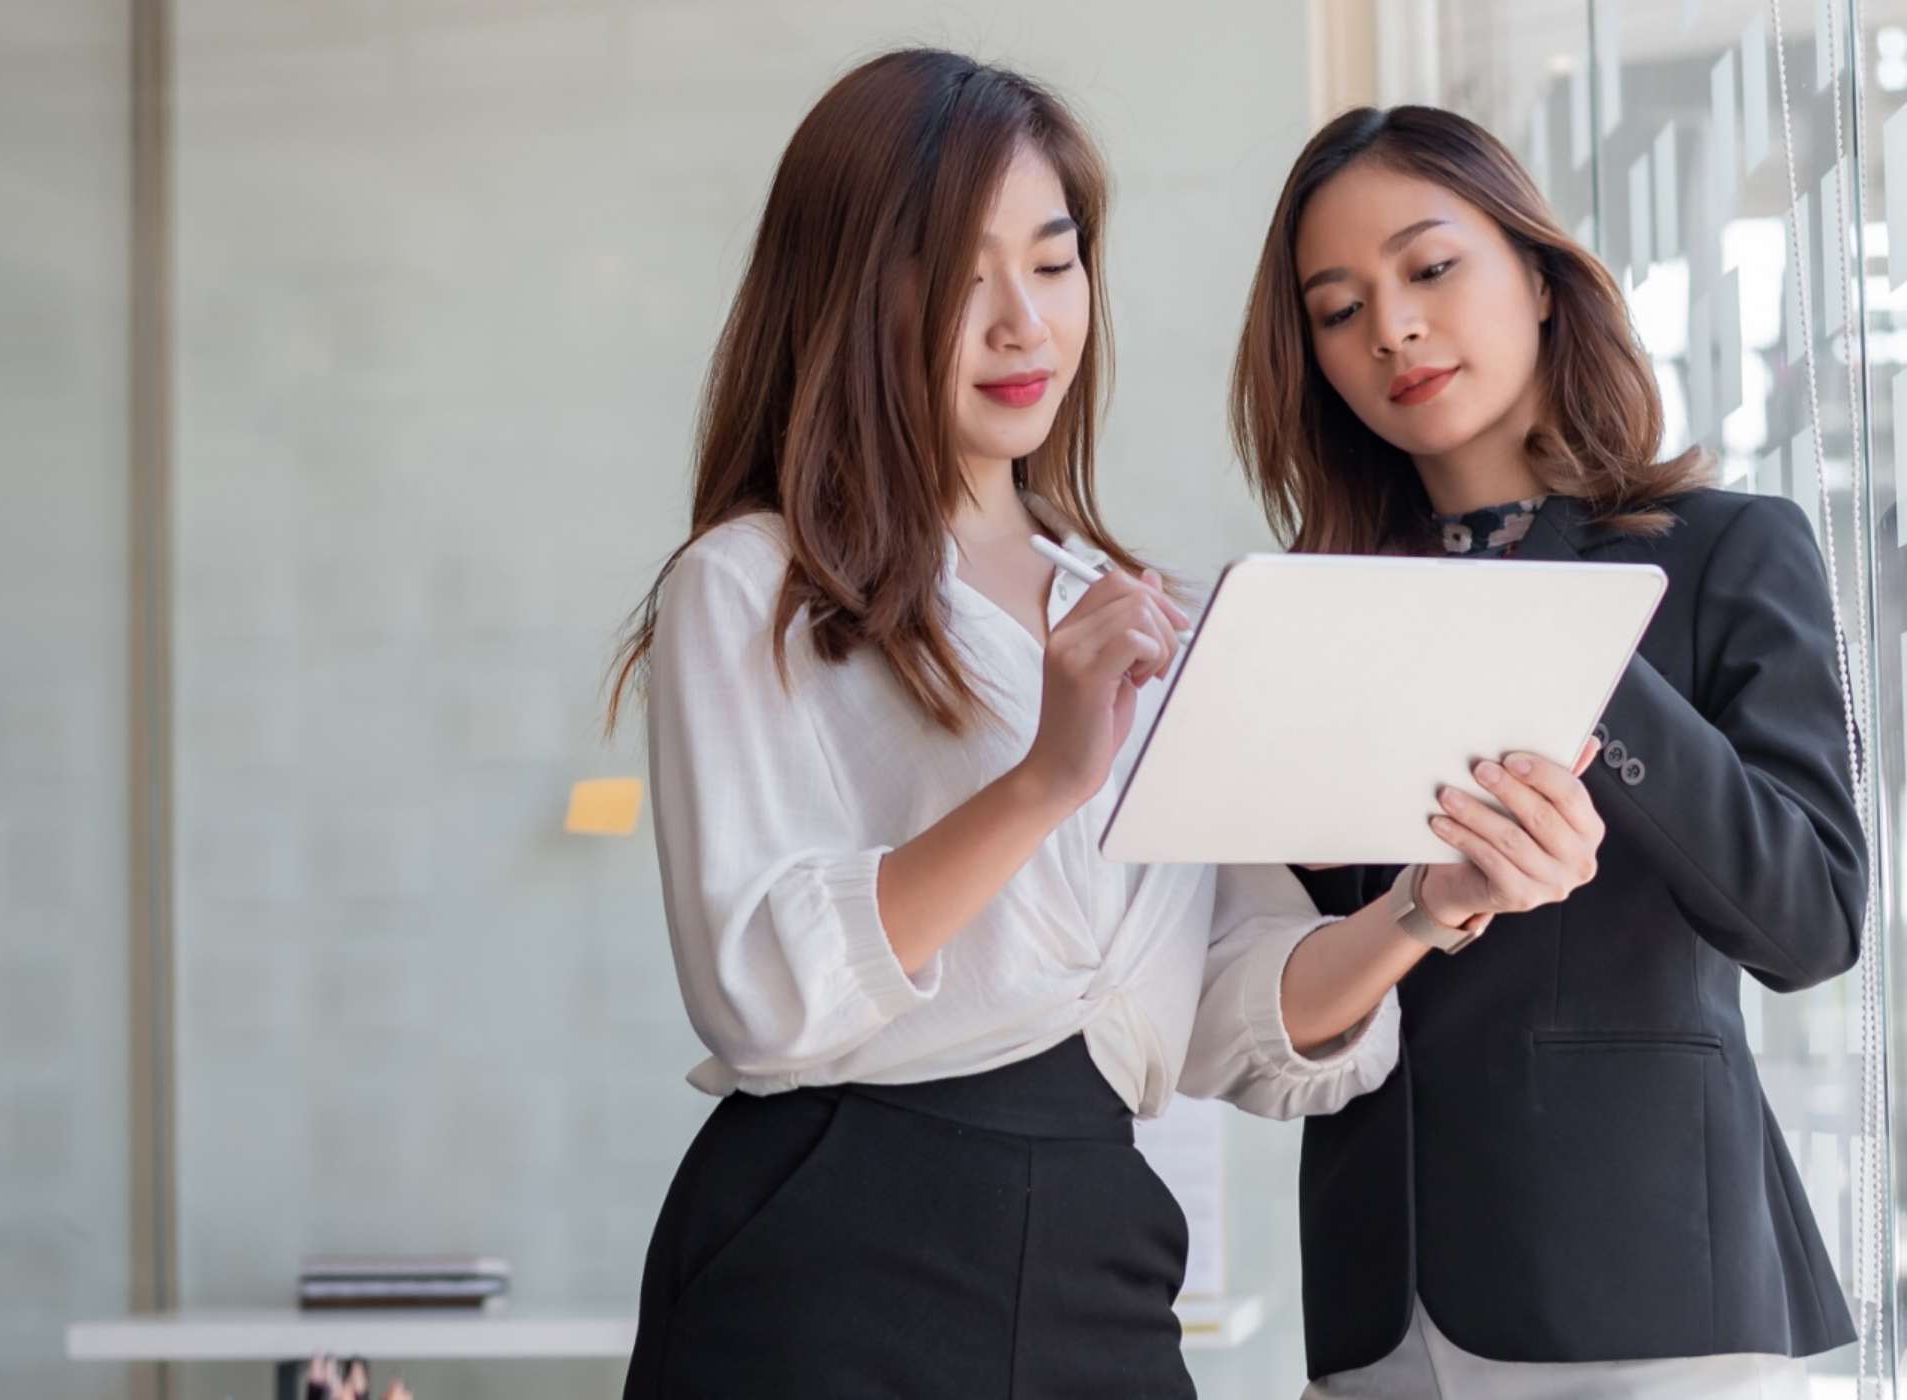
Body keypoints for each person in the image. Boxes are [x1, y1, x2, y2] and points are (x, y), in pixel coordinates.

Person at [606, 52, 1598, 1398]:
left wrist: (1429, 903)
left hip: (1101, 1245)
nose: (1023, 323)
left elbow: (1228, 1013)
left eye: (1054, 263)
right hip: (830, 1240)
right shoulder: (754, 584)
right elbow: (766, 995)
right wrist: (1046, 777)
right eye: (956, 275)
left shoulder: (1142, 614)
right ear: (844, 294)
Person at [1229, 104, 1870, 1398]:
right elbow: (1277, 983)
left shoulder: (1728, 549)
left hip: (1648, 1284)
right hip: (1376, 1292)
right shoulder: (1320, 610)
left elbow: (1809, 923)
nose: (1393, 329)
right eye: (1339, 308)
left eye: (1429, 267)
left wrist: (1572, 653)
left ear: (1535, 270)